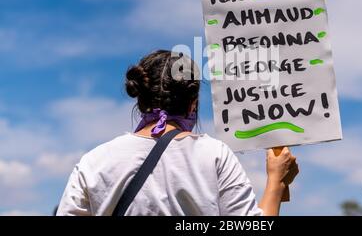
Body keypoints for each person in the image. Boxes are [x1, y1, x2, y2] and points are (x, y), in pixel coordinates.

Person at [56, 50, 299, 216]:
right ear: (193, 102)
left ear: (140, 98)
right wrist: (276, 181)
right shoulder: (214, 155)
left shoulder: (94, 161)